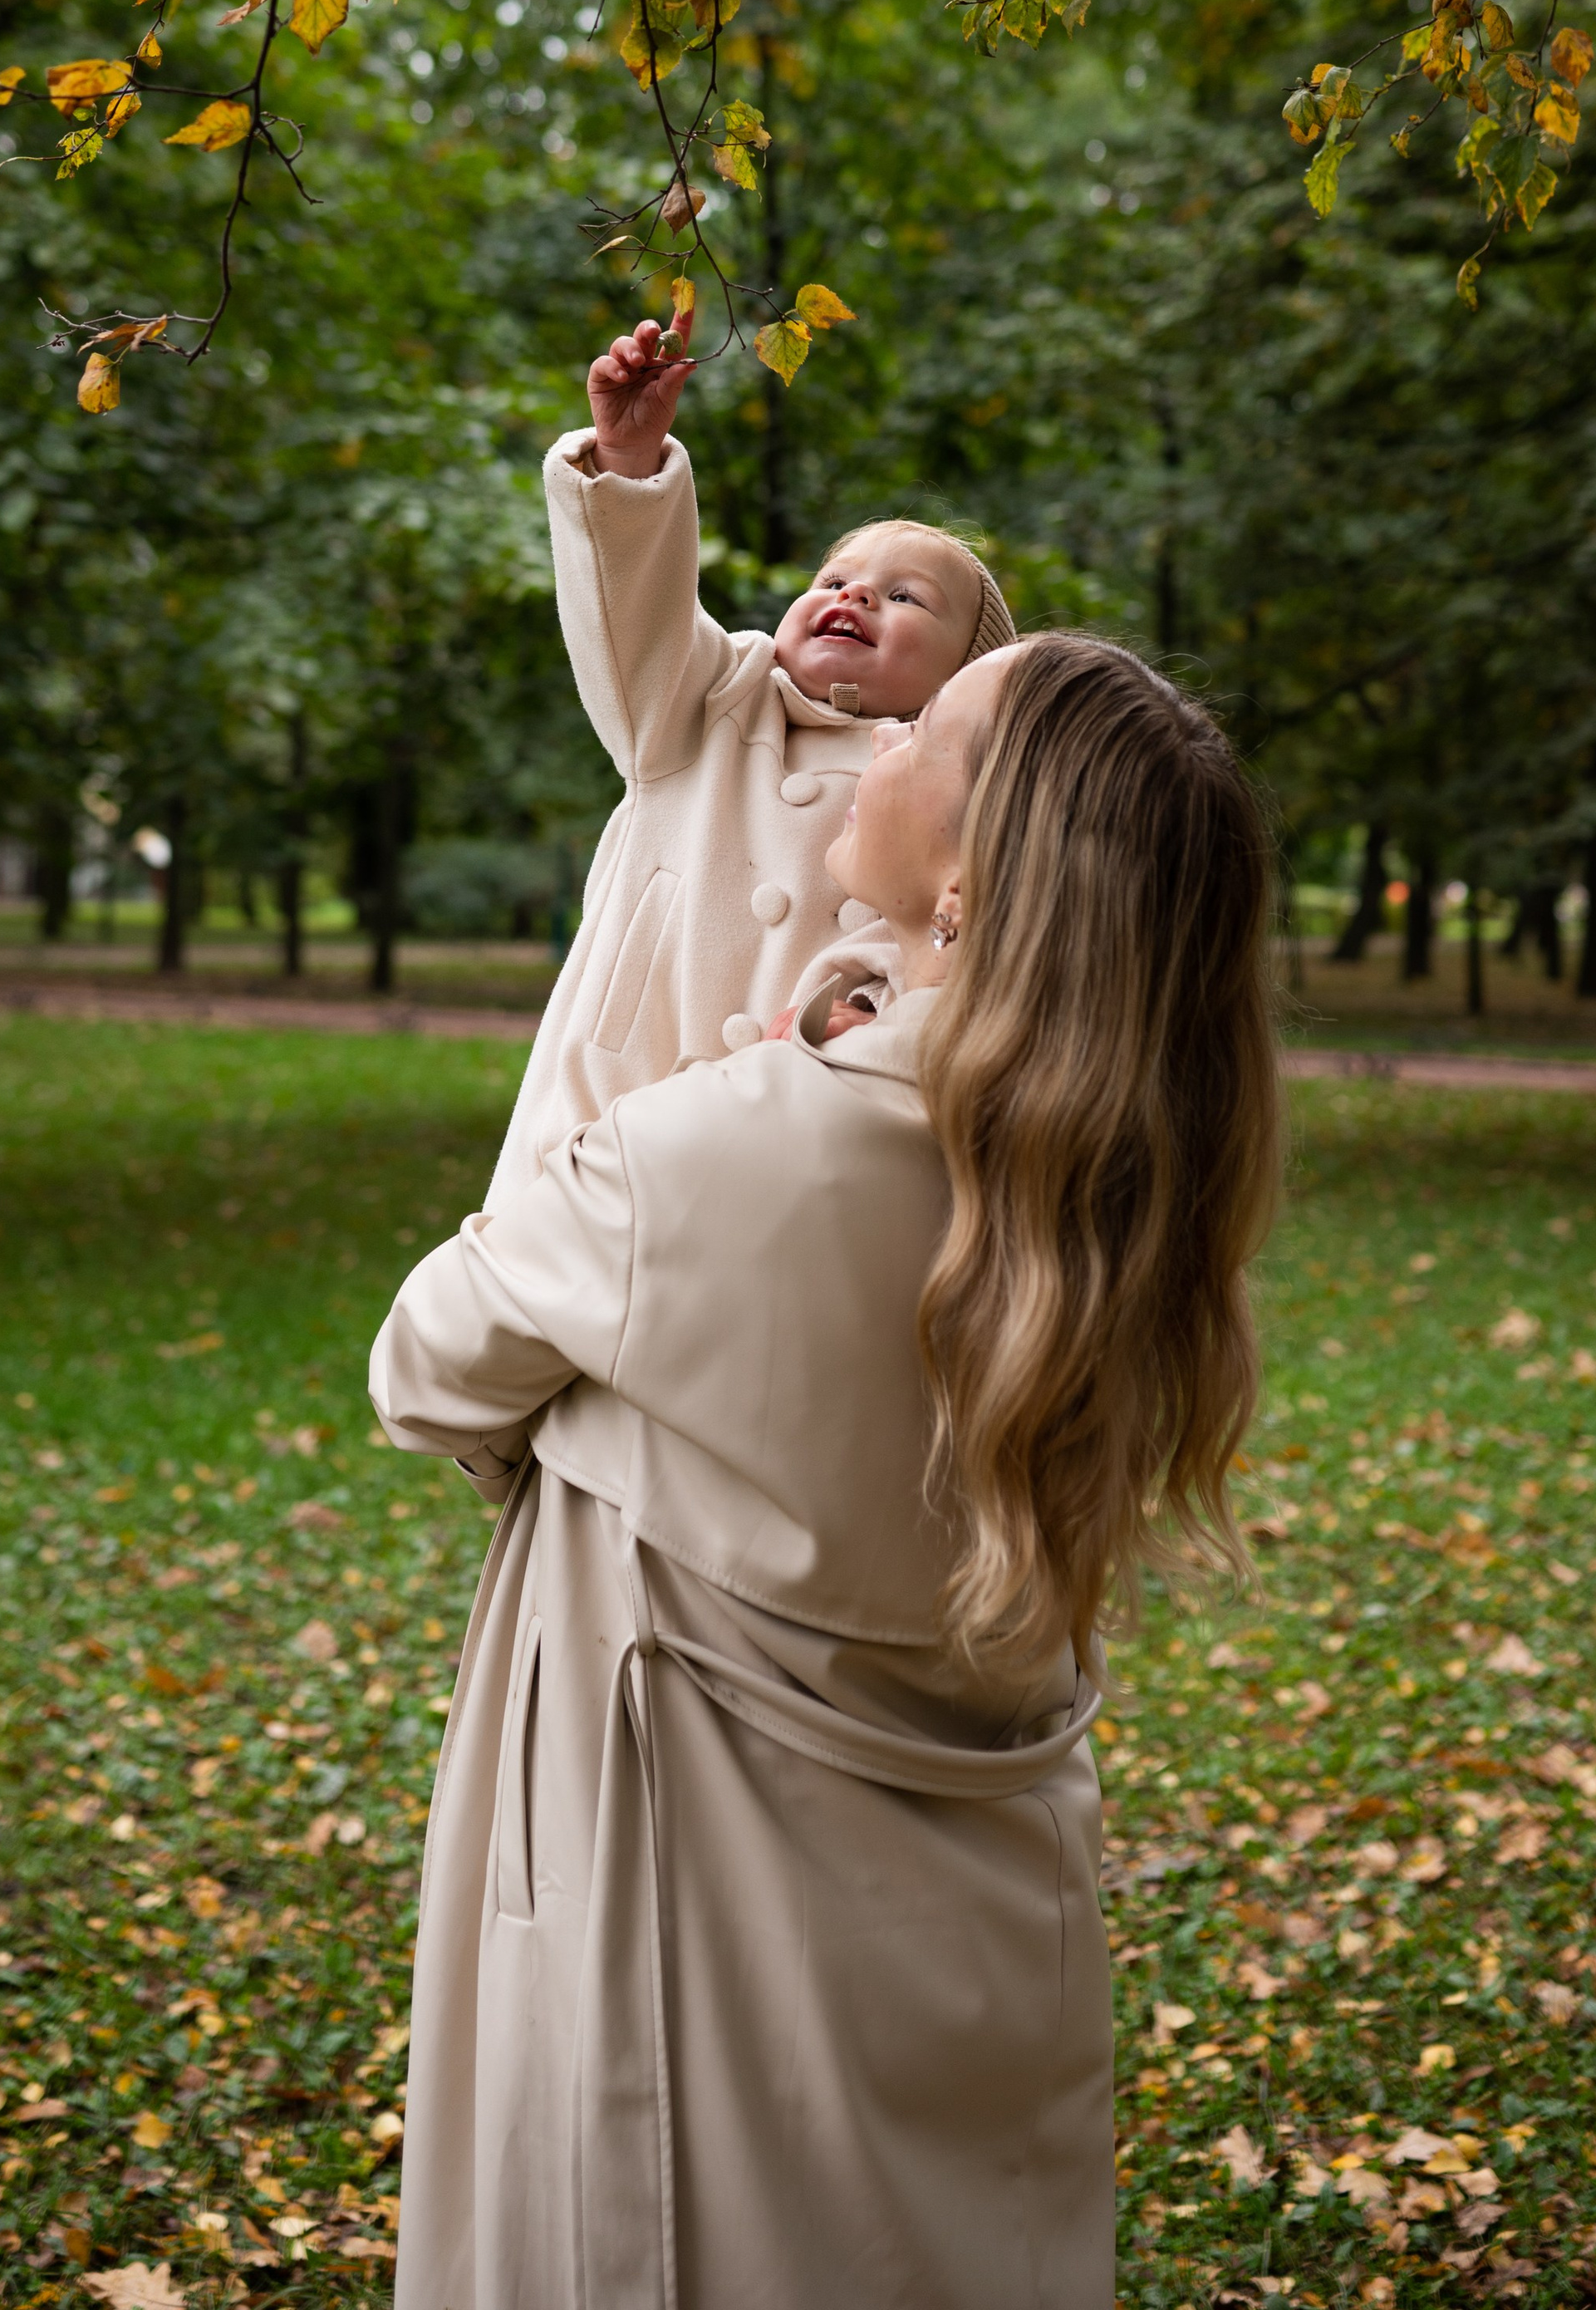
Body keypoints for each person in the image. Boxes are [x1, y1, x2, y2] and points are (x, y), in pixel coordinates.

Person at [371, 633, 1280, 2310]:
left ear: (969, 871)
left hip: (692, 1951)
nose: (870, 733)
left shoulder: (707, 1152)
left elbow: (424, 1360)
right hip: (976, 1960)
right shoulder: (1137, 1189)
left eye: (923, 725)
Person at [479, 313, 1014, 1208]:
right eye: (833, 577)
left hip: (796, 1146)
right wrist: (628, 467)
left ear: (969, 674)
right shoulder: (705, 702)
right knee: (557, 1326)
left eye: (903, 594)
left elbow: (943, 950)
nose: (851, 592)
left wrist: (870, 1027)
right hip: (611, 1110)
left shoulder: (958, 802)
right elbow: (634, 613)